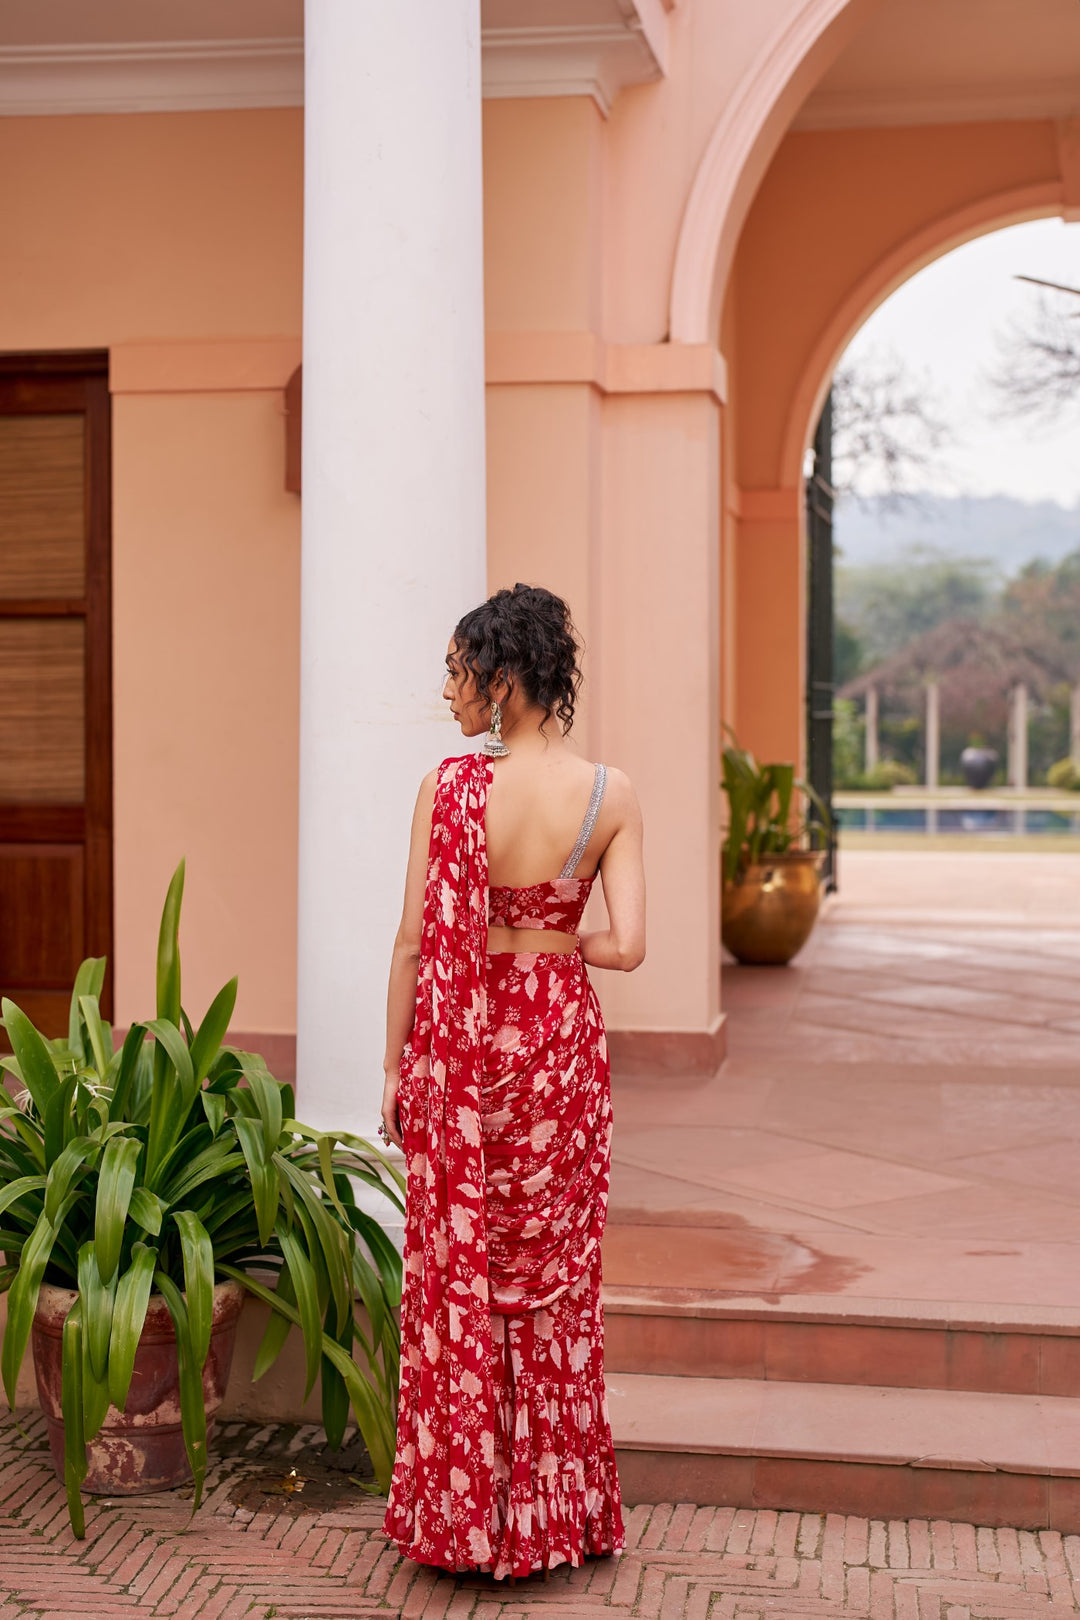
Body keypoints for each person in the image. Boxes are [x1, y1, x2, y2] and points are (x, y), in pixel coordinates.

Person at [380, 582, 646, 1582]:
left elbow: (413, 941)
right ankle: (554, 1514)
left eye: (457, 672)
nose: (448, 693)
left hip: (463, 1051)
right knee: (552, 1282)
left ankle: (466, 1517)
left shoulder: (450, 792)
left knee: (465, 1275)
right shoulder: (611, 793)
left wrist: (395, 1067)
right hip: (558, 1050)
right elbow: (630, 948)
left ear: (502, 679)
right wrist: (554, 934)